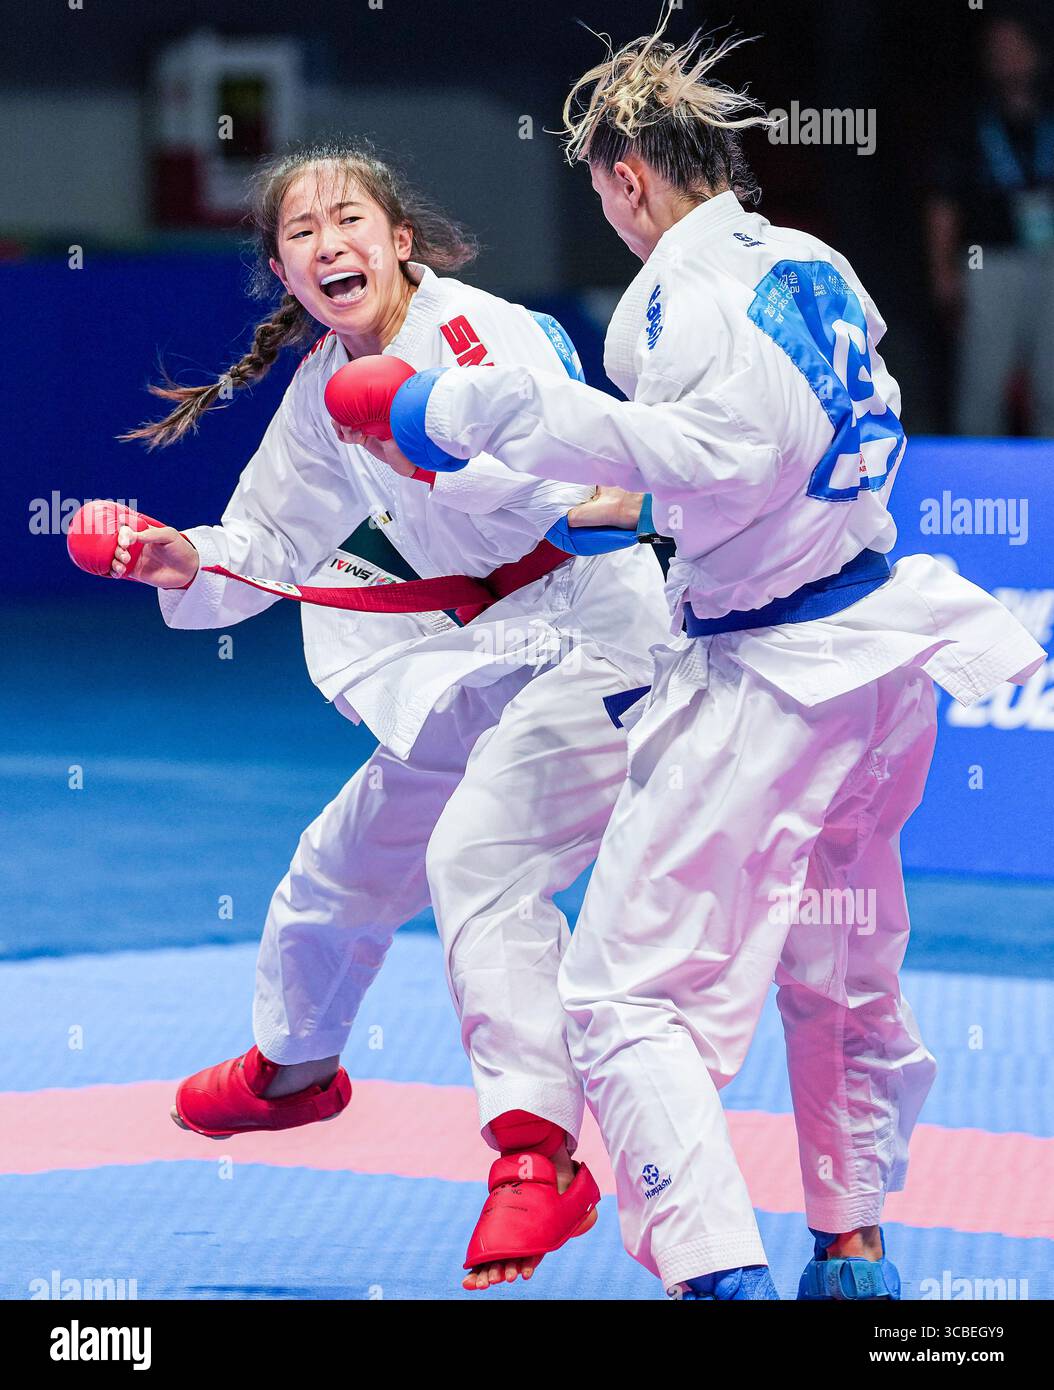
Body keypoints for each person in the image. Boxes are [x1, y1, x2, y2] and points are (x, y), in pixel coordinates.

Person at [334, 22, 1047, 1300]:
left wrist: (445, 416)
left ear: (623, 176)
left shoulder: (671, 292)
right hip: (880, 662)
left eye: (601, 192)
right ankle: (853, 1253)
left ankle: (718, 1279)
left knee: (617, 998)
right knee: (835, 966)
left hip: (772, 682)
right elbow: (768, 447)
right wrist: (630, 498)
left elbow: (715, 449)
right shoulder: (811, 257)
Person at [115, 141, 672, 1291]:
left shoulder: (477, 338)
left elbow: (571, 486)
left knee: (483, 861)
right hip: (475, 655)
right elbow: (264, 540)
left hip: (592, 633)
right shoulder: (326, 386)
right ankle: (294, 1066)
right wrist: (180, 559)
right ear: (283, 272)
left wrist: (420, 431)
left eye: (349, 220)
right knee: (343, 861)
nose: (329, 244)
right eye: (301, 233)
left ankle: (538, 1156)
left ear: (398, 240)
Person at [927, 12, 1054, 435]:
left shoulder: (1048, 114)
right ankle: (974, 484)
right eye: (997, 49)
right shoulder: (968, 119)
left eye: (1015, 47)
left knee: (1051, 384)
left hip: (1050, 262)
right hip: (988, 263)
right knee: (983, 383)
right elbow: (943, 202)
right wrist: (943, 271)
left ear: (1036, 53)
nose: (1007, 58)